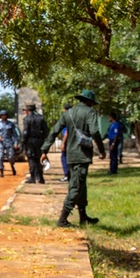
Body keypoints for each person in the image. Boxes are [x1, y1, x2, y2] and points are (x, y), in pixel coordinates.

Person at [40, 89, 106, 227]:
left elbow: (54, 131)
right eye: (92, 103)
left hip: (70, 155)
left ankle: (83, 217)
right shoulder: (89, 112)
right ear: (88, 101)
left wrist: (45, 149)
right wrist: (101, 150)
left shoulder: (68, 113)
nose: (92, 105)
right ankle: (62, 219)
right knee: (76, 187)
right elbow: (94, 131)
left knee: (81, 186)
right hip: (82, 156)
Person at [21, 103, 48, 183]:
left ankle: (32, 177)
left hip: (30, 141)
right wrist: (42, 139)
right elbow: (46, 131)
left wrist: (23, 142)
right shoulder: (41, 118)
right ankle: (41, 177)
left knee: (31, 158)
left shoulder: (27, 119)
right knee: (39, 158)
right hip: (39, 141)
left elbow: (25, 132)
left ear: (27, 109)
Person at [0, 109, 19, 177]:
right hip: (0, 143)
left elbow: (14, 135)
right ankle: (1, 171)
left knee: (11, 157)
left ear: (6, 116)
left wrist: (15, 143)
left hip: (9, 142)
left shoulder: (11, 124)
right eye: (2, 115)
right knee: (0, 157)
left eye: (4, 115)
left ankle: (12, 166)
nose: (3, 116)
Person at [59, 103, 72, 182]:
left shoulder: (66, 118)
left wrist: (63, 143)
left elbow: (66, 132)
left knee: (64, 157)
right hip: (72, 141)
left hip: (67, 141)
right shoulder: (73, 117)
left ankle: (67, 175)